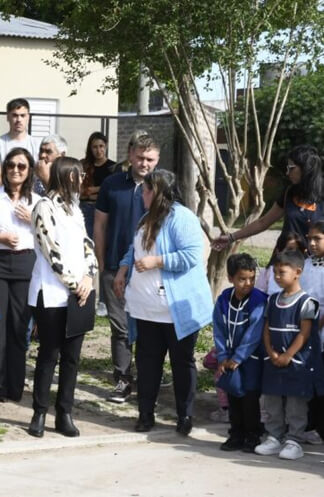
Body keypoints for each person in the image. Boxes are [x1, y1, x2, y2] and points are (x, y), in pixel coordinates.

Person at [113, 169, 213, 434]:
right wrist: (124, 269)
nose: (142, 195)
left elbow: (192, 256)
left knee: (182, 363)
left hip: (176, 309)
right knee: (147, 364)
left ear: (156, 192)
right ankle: (145, 414)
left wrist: (157, 261)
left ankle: (185, 416)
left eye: (145, 190)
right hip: (146, 309)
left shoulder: (182, 217)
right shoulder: (147, 218)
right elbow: (135, 249)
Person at [26, 157, 96, 438]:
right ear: (69, 176)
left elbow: (86, 245)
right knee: (49, 354)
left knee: (72, 357)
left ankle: (64, 412)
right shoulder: (44, 207)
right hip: (53, 293)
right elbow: (50, 250)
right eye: (79, 174)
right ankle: (39, 412)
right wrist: (73, 282)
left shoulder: (74, 209)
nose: (83, 179)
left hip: (79, 292)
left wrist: (89, 277)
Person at [95, 133, 160, 403]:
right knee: (120, 327)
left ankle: (148, 379)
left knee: (147, 327)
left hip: (149, 270)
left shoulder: (162, 186)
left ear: (157, 160)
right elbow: (100, 225)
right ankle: (122, 378)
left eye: (150, 159)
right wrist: (101, 263)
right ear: (130, 153)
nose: (144, 163)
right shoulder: (111, 183)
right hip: (113, 266)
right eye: (140, 157)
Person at [0, 147, 41, 402]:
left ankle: (14, 386)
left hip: (26, 264)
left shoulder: (36, 201)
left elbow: (51, 235)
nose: (15, 170)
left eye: (21, 166)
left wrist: (34, 220)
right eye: (11, 165)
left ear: (29, 170)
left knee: (18, 326)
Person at [255, 249, 321, 460]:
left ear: (297, 272)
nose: (276, 276)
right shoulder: (272, 300)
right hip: (273, 359)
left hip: (297, 362)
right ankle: (274, 436)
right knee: (272, 399)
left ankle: (294, 439)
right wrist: (271, 352)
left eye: (281, 272)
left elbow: (305, 333)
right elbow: (266, 327)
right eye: (275, 272)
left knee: (295, 402)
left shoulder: (307, 303)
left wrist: (288, 355)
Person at [213, 145, 324, 250]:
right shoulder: (289, 192)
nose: (287, 173)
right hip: (285, 260)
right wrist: (231, 237)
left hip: (315, 264)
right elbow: (263, 222)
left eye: (291, 168)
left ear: (307, 168)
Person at [213, 254, 266, 452]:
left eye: (251, 279)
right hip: (228, 359)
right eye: (242, 279)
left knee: (250, 398)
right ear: (231, 278)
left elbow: (254, 332)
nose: (247, 283)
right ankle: (236, 434)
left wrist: (238, 357)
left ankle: (252, 436)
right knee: (233, 395)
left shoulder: (259, 300)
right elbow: (219, 328)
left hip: (250, 359)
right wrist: (222, 356)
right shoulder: (224, 299)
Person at [298, 221, 324, 445]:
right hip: (304, 329)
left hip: (318, 330)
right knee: (308, 381)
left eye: (318, 239)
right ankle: (307, 424)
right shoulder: (305, 265)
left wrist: (315, 329)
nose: (312, 243)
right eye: (310, 238)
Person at [0, 98, 42, 188]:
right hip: (2, 198)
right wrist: (15, 195)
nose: (19, 119)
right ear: (8, 117)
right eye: (15, 115)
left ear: (28, 117)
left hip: (31, 197)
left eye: (23, 115)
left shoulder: (38, 145)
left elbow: (42, 176)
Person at [80, 131, 116, 241]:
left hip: (104, 209)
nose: (98, 150)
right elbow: (80, 190)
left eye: (101, 146)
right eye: (95, 147)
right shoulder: (84, 165)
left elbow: (111, 190)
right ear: (90, 148)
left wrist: (95, 190)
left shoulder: (113, 167)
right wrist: (91, 193)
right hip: (85, 208)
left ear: (106, 146)